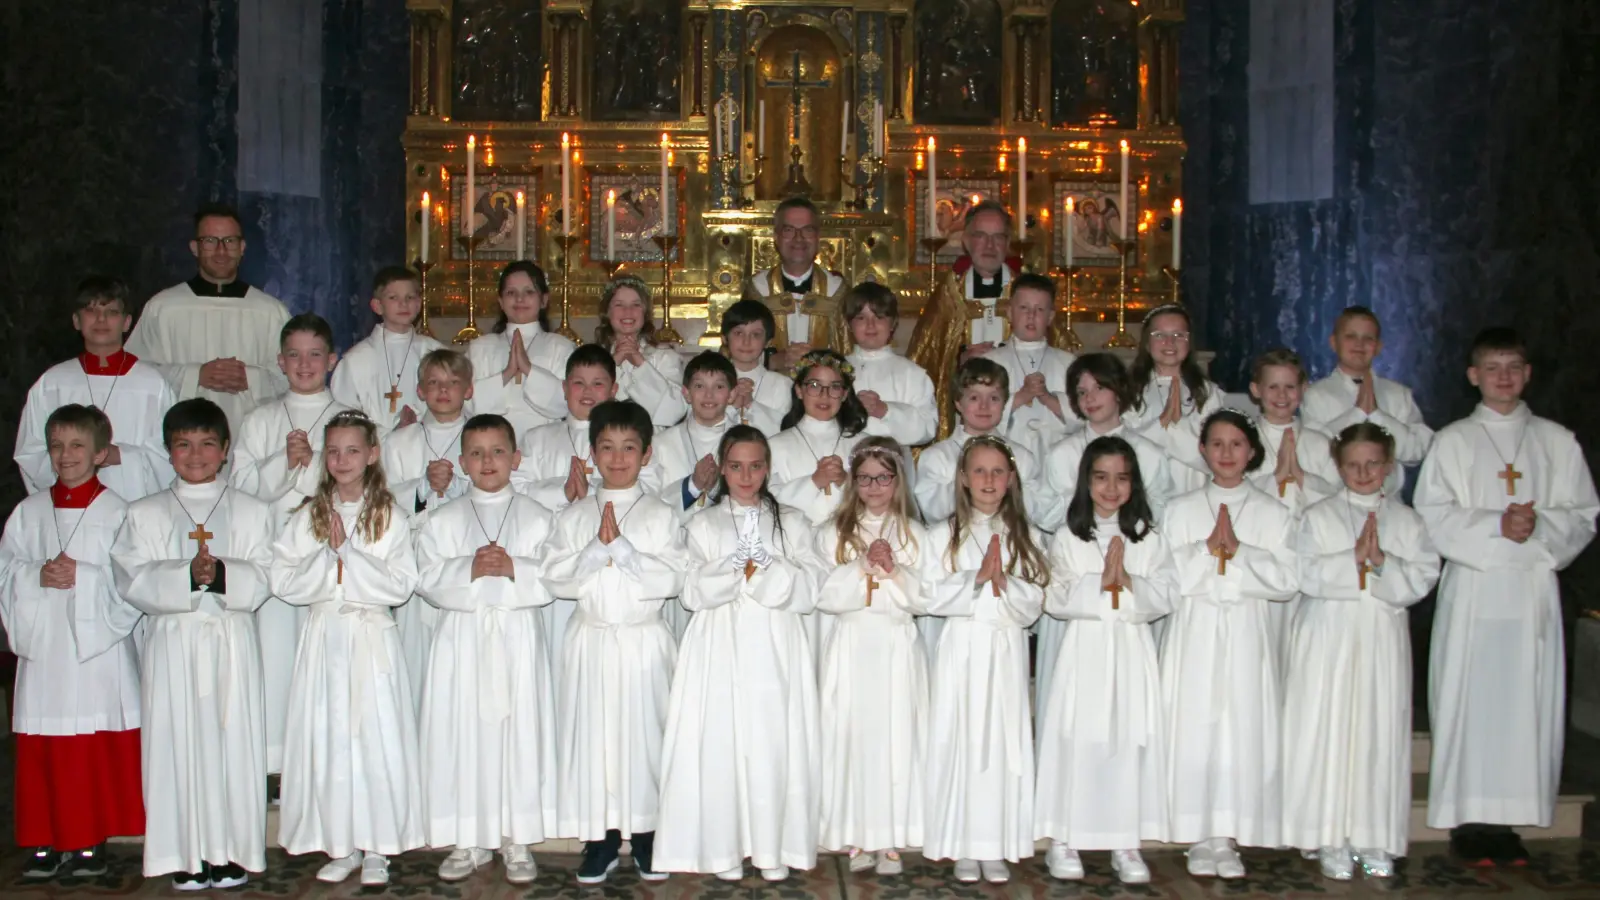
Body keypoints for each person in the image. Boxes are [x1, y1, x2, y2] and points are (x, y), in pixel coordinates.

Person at [1414, 327, 1599, 866]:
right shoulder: (1452, 441)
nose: (1503, 377)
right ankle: (1469, 819)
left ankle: (1510, 818)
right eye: (1492, 368)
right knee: (1471, 699)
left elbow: (1583, 514)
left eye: (1513, 367)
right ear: (1473, 376)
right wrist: (1497, 524)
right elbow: (1431, 515)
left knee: (1524, 700)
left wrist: (1537, 526)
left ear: (1527, 374)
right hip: (1475, 589)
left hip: (1529, 592)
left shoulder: (1557, 441)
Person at [111, 398, 276, 890]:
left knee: (232, 743)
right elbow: (130, 577)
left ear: (226, 450)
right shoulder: (145, 513)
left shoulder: (252, 510)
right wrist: (184, 575)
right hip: (173, 644)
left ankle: (229, 853)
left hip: (230, 641)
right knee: (175, 743)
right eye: (184, 444)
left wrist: (221, 574)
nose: (197, 454)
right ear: (168, 451)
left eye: (207, 443)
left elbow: (268, 573)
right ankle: (183, 853)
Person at [655, 426, 823, 882]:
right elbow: (690, 591)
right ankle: (723, 847)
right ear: (721, 469)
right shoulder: (702, 524)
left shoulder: (793, 522)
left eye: (755, 466)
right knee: (721, 740)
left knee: (772, 742)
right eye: (735, 466)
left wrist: (767, 567)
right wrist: (734, 566)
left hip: (774, 642)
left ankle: (772, 846)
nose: (745, 476)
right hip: (719, 643)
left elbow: (810, 590)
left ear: (767, 468)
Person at [269, 411, 424, 887]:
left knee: (375, 740)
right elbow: (282, 579)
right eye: (332, 451)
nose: (342, 459)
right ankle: (341, 842)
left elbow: (401, 584)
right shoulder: (308, 514)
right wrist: (326, 556)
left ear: (372, 454)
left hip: (370, 639)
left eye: (352, 450)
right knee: (330, 738)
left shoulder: (391, 516)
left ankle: (378, 845)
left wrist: (348, 557)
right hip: (324, 641)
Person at [1283, 423, 1440, 880]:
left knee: (1376, 732)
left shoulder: (1407, 521)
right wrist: (1351, 559)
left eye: (1373, 463)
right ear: (1338, 466)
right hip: (1329, 635)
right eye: (1353, 464)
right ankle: (1328, 835)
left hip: (1379, 636)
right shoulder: (1319, 515)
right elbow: (1306, 574)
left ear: (1389, 465)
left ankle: (1373, 835)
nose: (1363, 472)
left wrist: (1383, 563)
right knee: (1327, 729)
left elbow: (1424, 576)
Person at [539, 400, 687, 884]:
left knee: (645, 738)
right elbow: (554, 578)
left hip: (642, 642)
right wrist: (593, 549)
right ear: (591, 453)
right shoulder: (574, 515)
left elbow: (674, 579)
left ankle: (646, 836)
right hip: (593, 639)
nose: (618, 458)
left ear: (646, 455)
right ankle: (600, 839)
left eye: (629, 448)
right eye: (607, 447)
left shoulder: (662, 514)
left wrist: (622, 550)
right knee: (594, 740)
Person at [414, 414, 558, 886]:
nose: (487, 461)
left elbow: (555, 575)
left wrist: (515, 568)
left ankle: (516, 837)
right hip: (463, 641)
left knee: (519, 734)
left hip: (516, 638)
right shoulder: (443, 518)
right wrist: (469, 570)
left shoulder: (538, 516)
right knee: (462, 734)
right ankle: (467, 837)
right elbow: (427, 578)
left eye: (497, 451)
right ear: (461, 463)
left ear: (516, 459)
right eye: (476, 453)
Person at [0, 405, 144, 878]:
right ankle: (43, 839)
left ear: (101, 453)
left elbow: (132, 579)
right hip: (45, 648)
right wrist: (33, 574)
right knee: (44, 742)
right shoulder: (29, 512)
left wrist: (83, 575)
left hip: (95, 649)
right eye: (57, 445)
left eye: (78, 445)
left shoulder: (119, 511)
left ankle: (89, 842)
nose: (66, 455)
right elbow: (6, 571)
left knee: (89, 746)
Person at [1158, 410, 1297, 879]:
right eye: (1216, 444)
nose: (1226, 454)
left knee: (1240, 726)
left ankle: (1229, 833)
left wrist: (1240, 552)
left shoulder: (1273, 513)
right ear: (1202, 450)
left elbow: (1286, 581)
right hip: (1196, 629)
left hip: (1244, 630)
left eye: (1236, 444)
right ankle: (1199, 834)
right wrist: (1203, 552)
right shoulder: (1179, 509)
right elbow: (1166, 577)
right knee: (1196, 724)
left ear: (1253, 451)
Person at [1036, 436, 1173, 885]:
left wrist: (1127, 580)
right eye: (1101, 477)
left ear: (1134, 483)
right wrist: (1102, 582)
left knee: (1127, 737)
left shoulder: (1149, 538)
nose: (1111, 488)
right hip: (1085, 651)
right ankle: (1065, 837)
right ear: (1085, 482)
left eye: (1121, 478)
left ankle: (1125, 840)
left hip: (1131, 650)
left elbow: (1167, 594)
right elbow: (1055, 597)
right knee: (1078, 737)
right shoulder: (1068, 535)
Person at [921, 435, 1048, 885]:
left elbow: (1035, 600)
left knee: (1002, 743)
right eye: (979, 471)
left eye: (997, 472)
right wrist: (976, 579)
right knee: (962, 740)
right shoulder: (943, 533)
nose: (989, 480)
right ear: (963, 479)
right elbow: (928, 594)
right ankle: (962, 840)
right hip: (962, 648)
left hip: (1006, 647)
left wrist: (1006, 583)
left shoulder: (1026, 534)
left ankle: (995, 841)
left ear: (1011, 479)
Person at [231, 312, 351, 783]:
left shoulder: (349, 418)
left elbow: (362, 480)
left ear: (332, 360)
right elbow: (239, 487)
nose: (305, 364)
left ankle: (327, 764)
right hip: (278, 555)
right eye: (295, 355)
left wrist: (318, 466)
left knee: (329, 660)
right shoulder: (261, 418)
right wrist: (283, 463)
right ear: (280, 361)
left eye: (315, 354)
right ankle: (278, 768)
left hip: (330, 553)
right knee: (278, 658)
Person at [813, 437, 932, 877]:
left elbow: (926, 597)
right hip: (852, 644)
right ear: (853, 482)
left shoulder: (916, 534)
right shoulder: (832, 532)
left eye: (883, 477)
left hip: (896, 644)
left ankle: (891, 835)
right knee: (852, 737)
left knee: (894, 737)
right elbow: (823, 594)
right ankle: (854, 832)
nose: (875, 486)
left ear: (898, 479)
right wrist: (861, 566)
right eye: (865, 478)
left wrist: (895, 569)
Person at [124, 203, 291, 436]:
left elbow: (293, 378)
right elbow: (136, 374)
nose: (221, 251)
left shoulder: (270, 312)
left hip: (252, 444)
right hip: (183, 441)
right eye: (210, 241)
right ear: (195, 248)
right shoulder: (163, 308)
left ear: (242, 247)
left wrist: (251, 378)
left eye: (230, 241)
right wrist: (195, 375)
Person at [15, 276, 175, 503]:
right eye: (91, 311)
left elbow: (170, 453)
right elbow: (31, 453)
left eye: (111, 312)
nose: (101, 319)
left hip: (134, 505)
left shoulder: (152, 384)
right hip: (71, 506)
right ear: (76, 321)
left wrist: (118, 455)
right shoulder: (53, 383)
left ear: (127, 322)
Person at [381, 348, 473, 704]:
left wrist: (455, 486)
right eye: (433, 382)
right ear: (420, 391)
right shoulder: (399, 441)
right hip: (415, 555)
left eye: (453, 382)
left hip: (463, 553)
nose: (443, 390)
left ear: (468, 389)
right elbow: (383, 499)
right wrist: (422, 488)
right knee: (417, 651)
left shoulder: (481, 434)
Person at [1247, 348, 1342, 669]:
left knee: (1305, 658)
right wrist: (1274, 480)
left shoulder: (1321, 443)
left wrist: (1304, 480)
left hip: (1311, 560)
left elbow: (1342, 505)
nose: (1282, 395)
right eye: (1272, 387)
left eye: (1290, 387)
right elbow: (1231, 499)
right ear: (1256, 390)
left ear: (1303, 390)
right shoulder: (1241, 440)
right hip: (1261, 561)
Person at [907, 200, 1028, 439]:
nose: (990, 245)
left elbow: (1049, 353)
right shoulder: (949, 295)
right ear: (966, 241)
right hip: (963, 419)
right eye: (981, 236)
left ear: (1008, 242)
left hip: (1018, 417)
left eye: (998, 237)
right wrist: (958, 360)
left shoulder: (1027, 294)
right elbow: (926, 359)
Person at [1301, 306, 1432, 493]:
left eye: (1368, 338)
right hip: (1333, 503)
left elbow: (1417, 451)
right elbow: (1311, 453)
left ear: (1378, 347)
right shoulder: (1316, 395)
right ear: (1333, 342)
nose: (1359, 344)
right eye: (1350, 336)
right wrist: (1356, 414)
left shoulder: (1399, 394)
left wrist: (1378, 416)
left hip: (1387, 505)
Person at [915, 358, 1054, 525]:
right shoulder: (936, 457)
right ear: (958, 403)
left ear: (1004, 403)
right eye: (974, 398)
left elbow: (1044, 513)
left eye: (994, 398)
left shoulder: (1022, 457)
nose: (984, 406)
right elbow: (933, 511)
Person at [465, 261, 576, 438]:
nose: (519, 299)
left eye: (529, 292)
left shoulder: (561, 347)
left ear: (544, 300)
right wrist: (507, 373)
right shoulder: (480, 347)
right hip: (490, 450)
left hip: (544, 449)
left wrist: (529, 370)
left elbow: (567, 404)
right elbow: (466, 405)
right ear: (500, 301)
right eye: (511, 293)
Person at [330, 266, 445, 436]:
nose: (403, 304)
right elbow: (344, 417)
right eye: (393, 297)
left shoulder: (436, 352)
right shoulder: (356, 359)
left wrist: (419, 428)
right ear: (377, 306)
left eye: (410, 297)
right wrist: (391, 434)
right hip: (374, 454)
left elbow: (451, 405)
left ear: (419, 304)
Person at [1124, 304, 1224, 493]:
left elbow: (1217, 454)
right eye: (1159, 335)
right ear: (1146, 343)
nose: (1169, 342)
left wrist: (1174, 430)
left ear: (1189, 342)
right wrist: (1162, 423)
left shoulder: (1208, 393)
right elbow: (1123, 449)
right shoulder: (1130, 390)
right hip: (1144, 491)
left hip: (1193, 491)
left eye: (1179, 335)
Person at [980, 273, 1080, 460]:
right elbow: (977, 415)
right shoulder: (990, 363)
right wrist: (1021, 396)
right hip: (1003, 460)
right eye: (1024, 308)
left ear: (1050, 317)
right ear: (1010, 313)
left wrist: (1048, 398)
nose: (1031, 316)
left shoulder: (1069, 364)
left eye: (1040, 309)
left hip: (1058, 459)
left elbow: (1085, 416)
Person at [740, 197, 849, 367]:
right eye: (789, 230)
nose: (799, 238)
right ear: (776, 237)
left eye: (807, 230)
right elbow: (735, 351)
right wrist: (773, 360)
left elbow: (850, 353)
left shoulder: (836, 291)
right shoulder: (758, 290)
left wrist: (819, 363)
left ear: (818, 237)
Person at [769, 349, 870, 526]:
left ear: (845, 394)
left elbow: (882, 502)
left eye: (835, 387)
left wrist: (845, 482)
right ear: (799, 390)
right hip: (795, 545)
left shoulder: (865, 445)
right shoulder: (774, 446)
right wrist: (813, 482)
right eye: (814, 385)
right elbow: (767, 507)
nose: (824, 395)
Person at [843, 283, 938, 449]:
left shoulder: (912, 374)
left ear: (893, 323)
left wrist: (886, 410)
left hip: (894, 464)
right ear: (849, 325)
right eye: (861, 318)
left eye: (879, 317)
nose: (870, 325)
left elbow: (928, 429)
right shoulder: (836, 371)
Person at [595, 275, 688, 428]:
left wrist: (640, 363)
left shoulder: (665, 357)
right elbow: (587, 409)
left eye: (636, 305)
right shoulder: (595, 359)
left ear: (645, 313)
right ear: (607, 312)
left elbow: (674, 412)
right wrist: (613, 364)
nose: (628, 311)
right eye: (619, 305)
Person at [720, 299, 791, 435]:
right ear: (724, 338)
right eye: (738, 333)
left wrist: (751, 404)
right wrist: (733, 406)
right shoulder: (711, 382)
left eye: (756, 335)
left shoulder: (782, 385)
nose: (746, 342)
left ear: (768, 342)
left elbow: (785, 432)